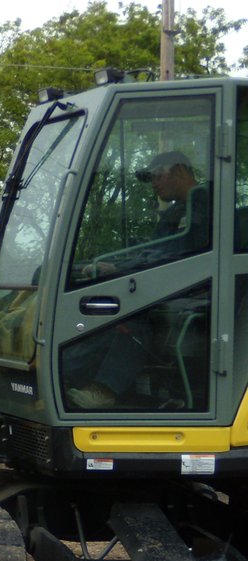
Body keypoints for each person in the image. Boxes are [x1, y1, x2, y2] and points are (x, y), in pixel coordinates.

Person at [66, 150, 209, 410]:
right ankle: (65, 375)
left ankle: (105, 387)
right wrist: (116, 264)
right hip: (165, 283)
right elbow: (154, 251)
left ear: (179, 171)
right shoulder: (176, 211)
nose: (154, 184)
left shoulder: (203, 204)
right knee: (65, 273)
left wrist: (120, 269)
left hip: (190, 293)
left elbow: (177, 256)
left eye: (157, 176)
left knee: (129, 314)